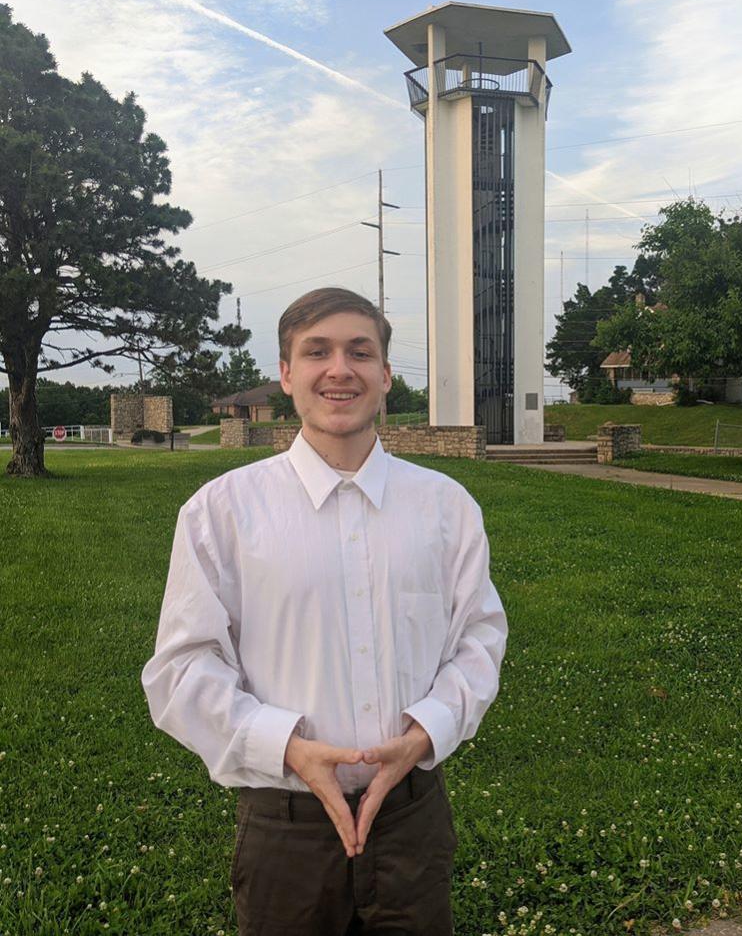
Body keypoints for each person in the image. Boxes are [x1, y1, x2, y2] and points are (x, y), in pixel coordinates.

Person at [142, 287, 507, 935]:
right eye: (317, 351)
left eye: (359, 351)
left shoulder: (446, 509)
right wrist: (285, 746)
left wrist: (428, 728)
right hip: (286, 829)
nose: (340, 368)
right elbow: (180, 668)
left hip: (411, 821)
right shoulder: (222, 512)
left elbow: (478, 638)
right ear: (285, 374)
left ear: (386, 373)